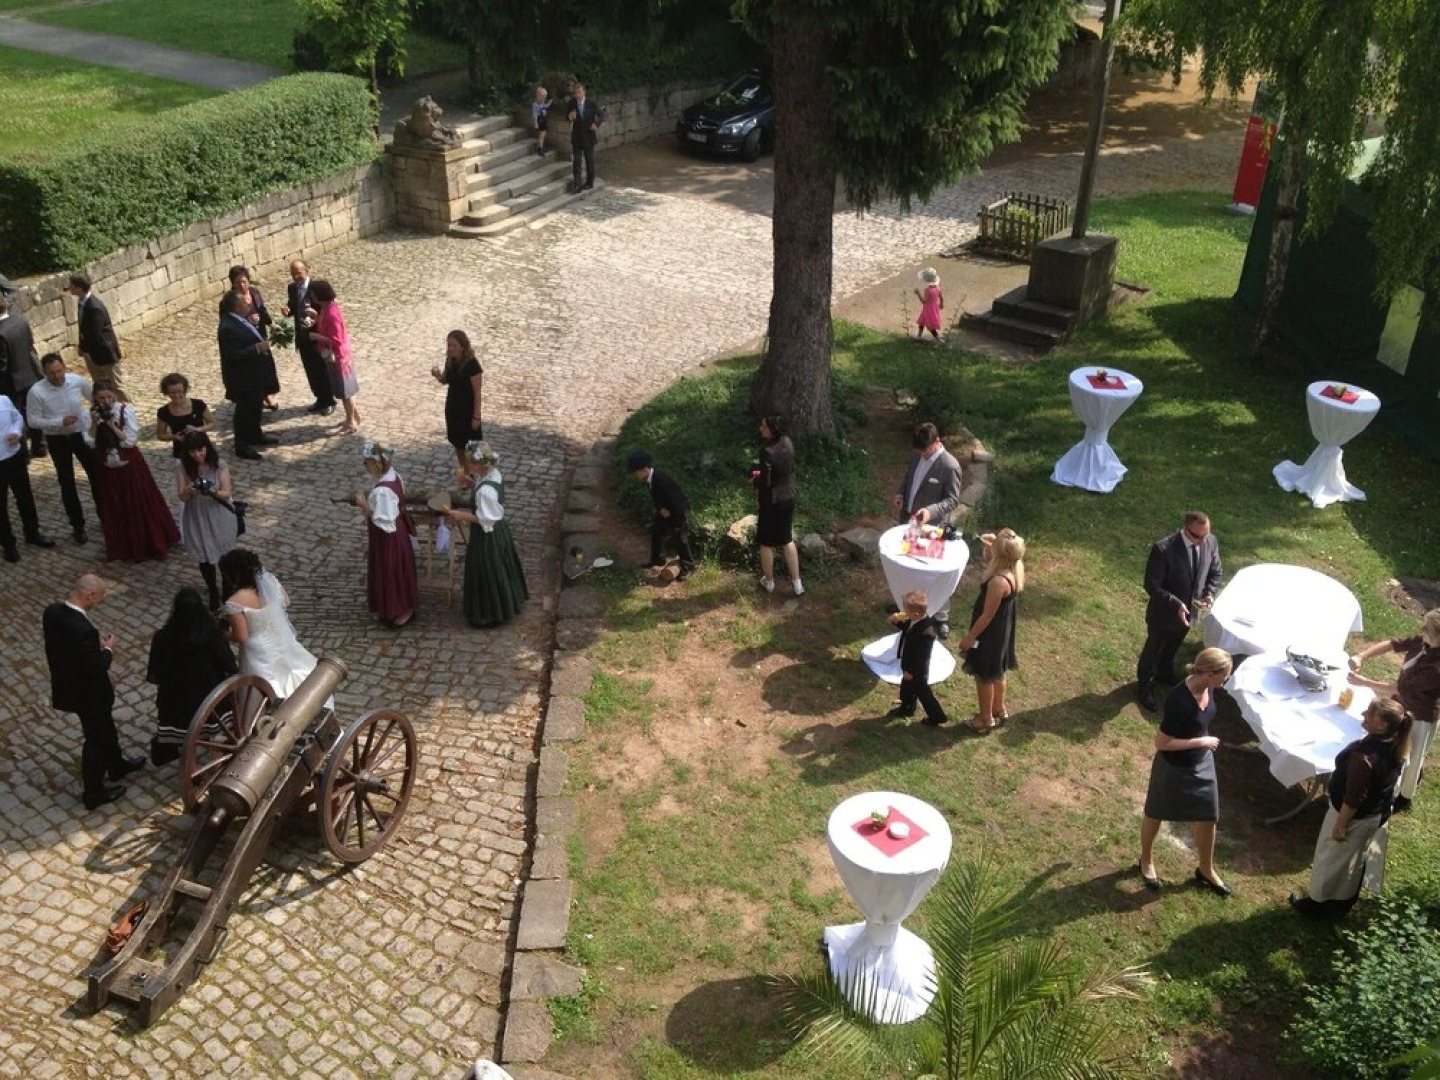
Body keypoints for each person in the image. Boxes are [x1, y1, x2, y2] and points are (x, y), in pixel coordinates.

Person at [1290, 697, 1412, 919]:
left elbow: (1354, 798)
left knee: (1330, 859)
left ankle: (1316, 906)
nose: (1364, 715)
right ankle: (1342, 904)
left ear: (1382, 725)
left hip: (1353, 817)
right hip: (1374, 815)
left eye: (1370, 714)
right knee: (1352, 861)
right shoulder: (1396, 745)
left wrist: (1340, 824)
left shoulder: (1363, 758)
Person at [43, 573, 146, 810]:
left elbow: (65, 647)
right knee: (95, 740)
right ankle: (93, 792)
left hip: (68, 685)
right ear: (89, 595)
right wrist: (108, 649)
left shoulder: (52, 612)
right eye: (100, 596)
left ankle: (116, 765)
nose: (100, 601)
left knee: (105, 728)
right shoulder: (83, 630)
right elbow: (97, 666)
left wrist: (89, 647)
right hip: (89, 694)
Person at [1137, 647, 1235, 896]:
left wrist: (1201, 743)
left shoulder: (1208, 687)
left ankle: (1206, 869)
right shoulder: (1179, 701)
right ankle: (1146, 860)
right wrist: (1201, 741)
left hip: (1201, 762)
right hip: (1173, 766)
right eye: (1224, 677)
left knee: (1209, 816)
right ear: (1210, 674)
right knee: (1156, 812)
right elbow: (1162, 743)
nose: (1225, 682)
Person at [1346, 608, 1440, 813]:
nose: (1422, 629)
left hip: (1419, 717)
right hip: (1401, 705)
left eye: (1427, 628)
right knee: (1396, 749)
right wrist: (1361, 656)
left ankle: (1402, 797)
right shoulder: (1422, 642)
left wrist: (1364, 682)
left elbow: (1401, 688)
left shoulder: (1436, 668)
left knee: (1409, 757)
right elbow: (1392, 644)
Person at [1136, 511, 1222, 712]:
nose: (1203, 541)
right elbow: (1152, 585)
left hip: (1190, 613)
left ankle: (1164, 672)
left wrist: (1209, 593)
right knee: (1153, 649)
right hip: (1164, 613)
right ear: (1185, 529)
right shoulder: (1163, 549)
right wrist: (1175, 604)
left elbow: (1215, 571)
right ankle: (1144, 685)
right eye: (1197, 536)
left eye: (1206, 535)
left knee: (1174, 644)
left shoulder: (1209, 542)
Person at [87, 379, 179, 561]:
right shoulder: (91, 415)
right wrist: (95, 423)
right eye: (101, 398)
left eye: (109, 396)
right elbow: (90, 441)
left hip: (129, 467)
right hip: (107, 469)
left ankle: (149, 542)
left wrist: (112, 425)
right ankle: (123, 545)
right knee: (115, 506)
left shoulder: (124, 411)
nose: (106, 401)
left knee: (139, 503)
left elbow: (129, 441)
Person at [145, 587, 238, 766]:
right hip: (207, 695)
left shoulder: (162, 637)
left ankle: (191, 764)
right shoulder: (211, 636)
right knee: (214, 725)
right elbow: (228, 663)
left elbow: (156, 672)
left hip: (175, 697)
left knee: (185, 729)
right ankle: (215, 760)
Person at [219, 547, 322, 700]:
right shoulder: (270, 582)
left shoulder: (234, 602)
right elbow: (286, 601)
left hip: (258, 650)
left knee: (263, 685)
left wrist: (223, 634)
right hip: (281, 638)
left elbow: (241, 636)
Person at [447, 440, 529, 627]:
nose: (467, 465)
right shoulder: (493, 474)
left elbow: (484, 519)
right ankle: (504, 604)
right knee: (499, 567)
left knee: (486, 570)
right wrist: (471, 483)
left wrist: (459, 515)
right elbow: (485, 492)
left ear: (478, 464)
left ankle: (489, 613)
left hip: (487, 536)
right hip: (499, 531)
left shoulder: (485, 492)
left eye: (470, 462)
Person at [893, 422, 963, 635]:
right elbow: (909, 478)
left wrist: (930, 511)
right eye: (919, 451)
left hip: (932, 527)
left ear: (937, 442)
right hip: (909, 519)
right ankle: (906, 607)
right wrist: (900, 493)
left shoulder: (950, 466)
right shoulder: (917, 456)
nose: (922, 455)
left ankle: (941, 616)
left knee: (935, 573)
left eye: (925, 450)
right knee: (908, 566)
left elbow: (952, 500)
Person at [26, 353, 100, 543]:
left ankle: (105, 516)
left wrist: (92, 417)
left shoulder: (77, 381)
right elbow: (32, 421)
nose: (57, 376)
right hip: (57, 440)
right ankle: (77, 526)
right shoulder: (36, 392)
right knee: (66, 482)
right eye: (52, 373)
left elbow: (95, 398)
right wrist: (59, 422)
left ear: (64, 367)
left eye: (59, 371)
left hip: (80, 435)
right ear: (44, 372)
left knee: (96, 476)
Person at [957, 528, 1025, 733]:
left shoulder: (998, 582)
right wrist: (992, 547)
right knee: (998, 672)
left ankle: (985, 718)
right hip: (1002, 632)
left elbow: (987, 616)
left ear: (1000, 555)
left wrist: (970, 638)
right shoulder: (1014, 570)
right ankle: (999, 708)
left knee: (984, 675)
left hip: (989, 635)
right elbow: (993, 560)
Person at [354, 442, 417, 628]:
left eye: (367, 464)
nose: (365, 468)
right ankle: (395, 607)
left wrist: (363, 505)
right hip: (398, 532)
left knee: (392, 571)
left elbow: (381, 520)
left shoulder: (383, 491)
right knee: (397, 569)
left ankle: (401, 609)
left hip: (389, 538)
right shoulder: (394, 476)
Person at [177, 431, 240, 611]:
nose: (198, 455)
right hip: (196, 515)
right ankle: (212, 589)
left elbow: (226, 492)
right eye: (192, 452)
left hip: (218, 514)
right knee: (204, 557)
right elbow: (182, 497)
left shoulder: (219, 465)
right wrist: (189, 490)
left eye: (200, 450)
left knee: (224, 555)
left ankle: (227, 589)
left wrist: (212, 491)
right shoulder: (182, 467)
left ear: (207, 447)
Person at [218, 290, 277, 460]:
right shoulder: (228, 327)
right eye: (245, 302)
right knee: (244, 411)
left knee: (255, 407)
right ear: (237, 306)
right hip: (242, 377)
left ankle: (255, 434)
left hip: (254, 374)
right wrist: (257, 348)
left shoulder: (241, 319)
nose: (249, 304)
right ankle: (242, 445)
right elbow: (232, 354)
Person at [0, 392, 55, 561]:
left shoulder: (3, 400)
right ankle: (8, 544)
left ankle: (32, 533)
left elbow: (17, 418)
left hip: (13, 456)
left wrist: (16, 432)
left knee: (25, 496)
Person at [627, 449, 697, 580]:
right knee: (657, 531)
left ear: (644, 470)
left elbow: (677, 499)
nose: (635, 476)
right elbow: (658, 497)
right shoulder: (650, 479)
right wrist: (661, 508)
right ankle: (657, 559)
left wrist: (675, 517)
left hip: (677, 511)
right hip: (665, 510)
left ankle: (689, 565)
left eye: (635, 473)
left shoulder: (660, 479)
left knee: (680, 538)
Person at [752, 413, 802, 596]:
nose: (761, 428)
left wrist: (754, 480)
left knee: (766, 542)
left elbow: (765, 482)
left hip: (771, 501)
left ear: (772, 429)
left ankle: (769, 582)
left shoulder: (766, 451)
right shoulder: (788, 442)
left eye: (764, 426)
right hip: (788, 496)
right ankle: (797, 583)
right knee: (787, 539)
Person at [219, 265, 279, 411]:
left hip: (259, 334)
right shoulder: (229, 301)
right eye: (238, 282)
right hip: (245, 340)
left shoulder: (254, 293)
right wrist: (248, 321)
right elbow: (230, 321)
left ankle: (267, 393)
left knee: (265, 366)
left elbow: (262, 310)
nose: (242, 285)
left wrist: (271, 323)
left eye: (244, 281)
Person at [885, 589, 949, 726]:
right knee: (907, 690)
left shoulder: (926, 633)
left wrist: (910, 671)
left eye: (906, 610)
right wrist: (896, 622)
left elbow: (921, 657)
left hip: (916, 670)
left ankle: (937, 716)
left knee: (924, 694)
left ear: (916, 613)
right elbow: (908, 629)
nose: (904, 612)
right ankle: (907, 708)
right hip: (910, 667)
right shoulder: (915, 620)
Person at [281, 258, 334, 417]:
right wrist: (287, 311)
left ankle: (329, 400)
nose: (296, 276)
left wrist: (317, 317)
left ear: (306, 270)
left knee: (322, 370)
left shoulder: (316, 288)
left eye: (298, 272)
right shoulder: (292, 288)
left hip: (317, 335)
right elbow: (293, 306)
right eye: (293, 273)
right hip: (303, 336)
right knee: (310, 370)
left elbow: (328, 308)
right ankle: (319, 398)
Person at [308, 279, 361, 434]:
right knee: (347, 391)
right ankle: (354, 416)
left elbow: (337, 340)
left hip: (340, 359)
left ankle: (350, 423)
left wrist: (316, 336)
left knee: (346, 393)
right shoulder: (327, 308)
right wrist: (316, 317)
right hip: (338, 357)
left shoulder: (332, 313)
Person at [0, 292, 45, 458]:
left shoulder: (1, 333)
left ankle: (23, 453)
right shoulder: (21, 321)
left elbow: (2, 366)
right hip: (29, 375)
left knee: (17, 417)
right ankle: (40, 446)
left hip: (11, 383)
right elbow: (30, 347)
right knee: (33, 412)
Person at [68, 274, 126, 400]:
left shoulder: (94, 306)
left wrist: (84, 348)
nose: (69, 288)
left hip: (105, 353)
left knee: (116, 386)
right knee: (100, 385)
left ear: (79, 288)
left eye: (71, 286)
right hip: (92, 352)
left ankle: (127, 408)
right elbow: (83, 328)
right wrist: (81, 346)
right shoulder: (82, 303)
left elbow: (96, 333)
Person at [432, 329, 483, 468]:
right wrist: (437, 375)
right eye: (449, 345)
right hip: (453, 410)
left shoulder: (472, 365)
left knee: (473, 449)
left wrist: (476, 417)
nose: (450, 348)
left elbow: (477, 394)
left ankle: (476, 473)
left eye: (454, 345)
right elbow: (446, 380)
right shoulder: (451, 361)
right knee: (459, 445)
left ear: (462, 346)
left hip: (467, 412)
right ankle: (464, 473)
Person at [155, 372, 213, 459]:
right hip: (181, 452)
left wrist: (198, 429)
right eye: (172, 392)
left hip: (203, 449)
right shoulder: (164, 411)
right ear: (166, 392)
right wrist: (175, 437)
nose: (176, 395)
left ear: (185, 390)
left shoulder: (198, 405)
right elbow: (161, 435)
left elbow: (211, 423)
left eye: (179, 391)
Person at [567, 82, 600, 192]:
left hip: (589, 136)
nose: (578, 95)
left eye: (579, 93)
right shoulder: (571, 103)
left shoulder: (591, 103)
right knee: (577, 161)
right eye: (576, 93)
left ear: (584, 92)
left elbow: (601, 114)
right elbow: (567, 116)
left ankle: (589, 182)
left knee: (589, 160)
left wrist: (596, 124)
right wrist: (570, 117)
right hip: (577, 136)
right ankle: (577, 183)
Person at [914, 267, 945, 344]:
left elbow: (924, 301)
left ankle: (938, 340)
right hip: (934, 308)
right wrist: (941, 304)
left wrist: (918, 294)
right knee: (922, 321)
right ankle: (919, 335)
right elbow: (941, 297)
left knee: (930, 325)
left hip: (928, 309)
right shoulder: (938, 288)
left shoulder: (927, 290)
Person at [531, 85, 550, 156]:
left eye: (545, 97)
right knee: (541, 135)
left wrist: (549, 103)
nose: (544, 99)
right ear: (538, 96)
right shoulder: (535, 105)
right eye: (543, 97)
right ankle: (540, 148)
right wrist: (535, 123)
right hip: (540, 120)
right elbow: (534, 115)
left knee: (542, 135)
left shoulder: (542, 103)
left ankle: (540, 146)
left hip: (544, 120)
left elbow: (545, 106)